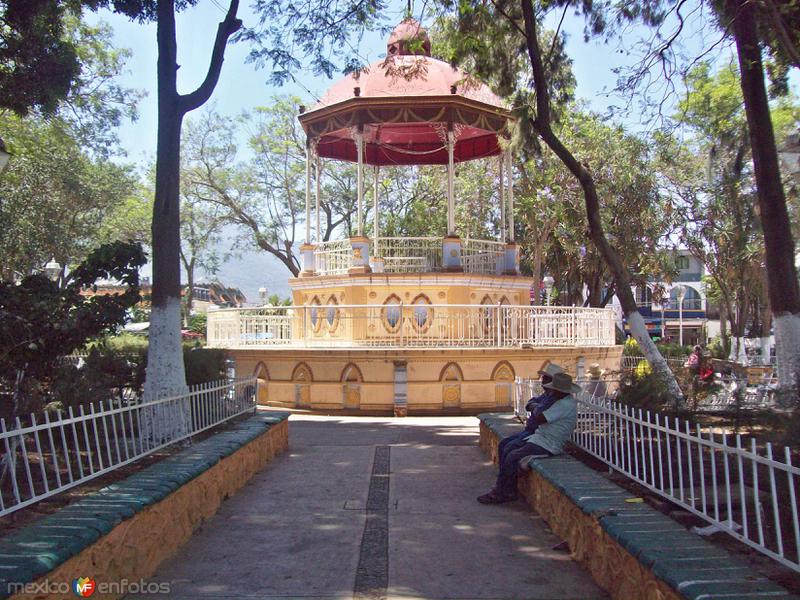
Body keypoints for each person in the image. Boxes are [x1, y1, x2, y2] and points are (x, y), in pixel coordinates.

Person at [478, 371, 581, 504]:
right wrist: (538, 407)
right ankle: (506, 488)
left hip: (548, 443)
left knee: (513, 455)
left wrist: (537, 408)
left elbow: (540, 417)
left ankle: (502, 492)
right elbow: (533, 407)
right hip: (539, 437)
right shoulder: (557, 400)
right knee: (507, 447)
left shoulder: (564, 404)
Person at [496, 362, 564, 466]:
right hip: (529, 431)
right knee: (503, 444)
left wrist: (536, 407)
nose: (542, 380)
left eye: (545, 378)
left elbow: (540, 415)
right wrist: (536, 406)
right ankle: (503, 476)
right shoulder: (546, 395)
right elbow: (529, 404)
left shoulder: (555, 399)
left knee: (510, 450)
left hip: (537, 434)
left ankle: (506, 480)